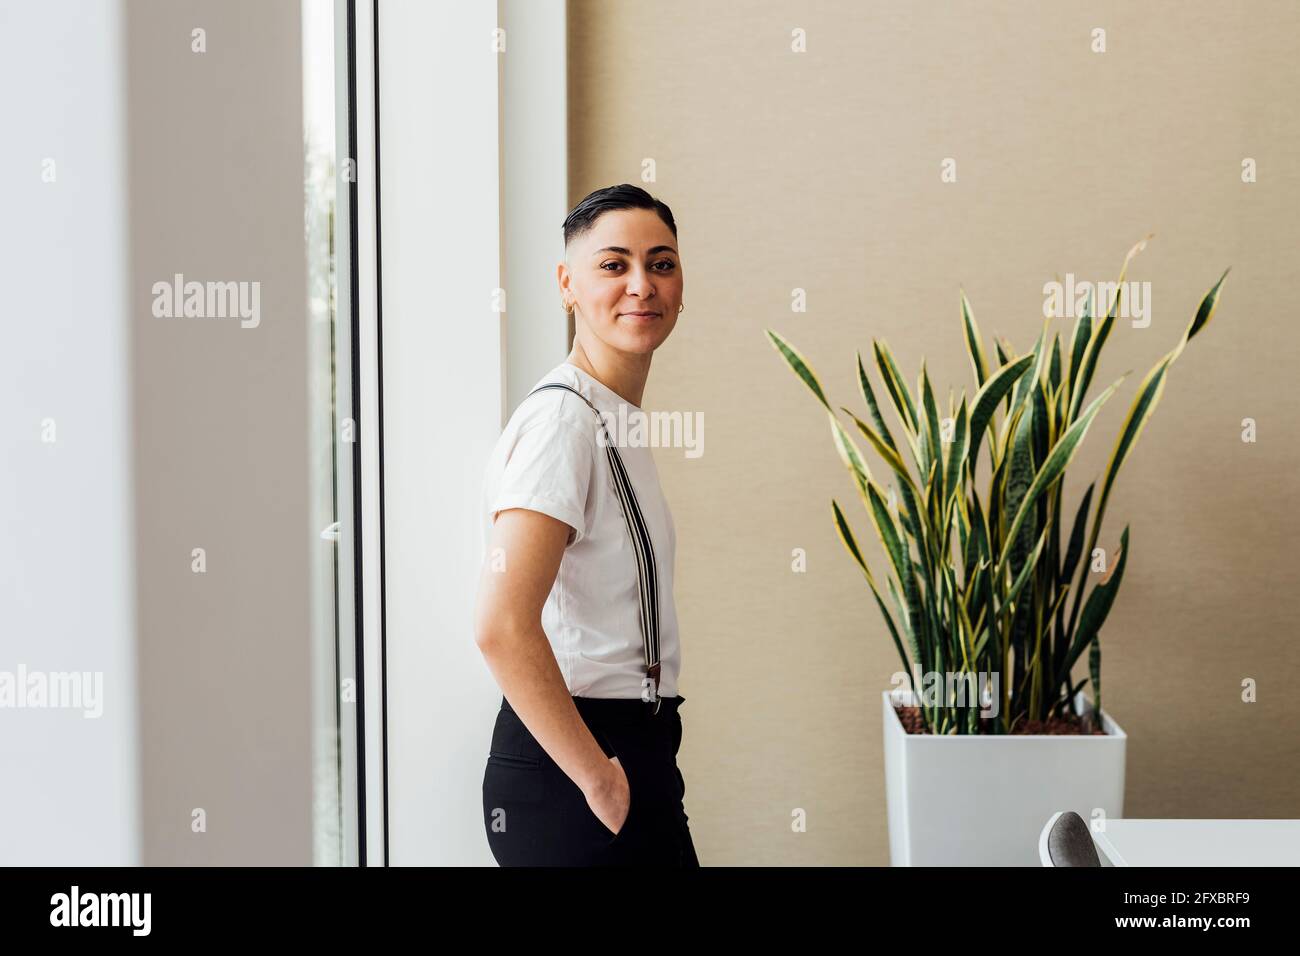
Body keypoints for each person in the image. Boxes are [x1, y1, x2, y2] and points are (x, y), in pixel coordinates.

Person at [474, 184, 697, 866]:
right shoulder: (563, 422)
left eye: (661, 263)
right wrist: (598, 777)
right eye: (613, 265)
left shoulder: (612, 417)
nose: (642, 285)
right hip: (579, 760)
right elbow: (501, 627)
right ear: (567, 284)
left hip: (634, 748)